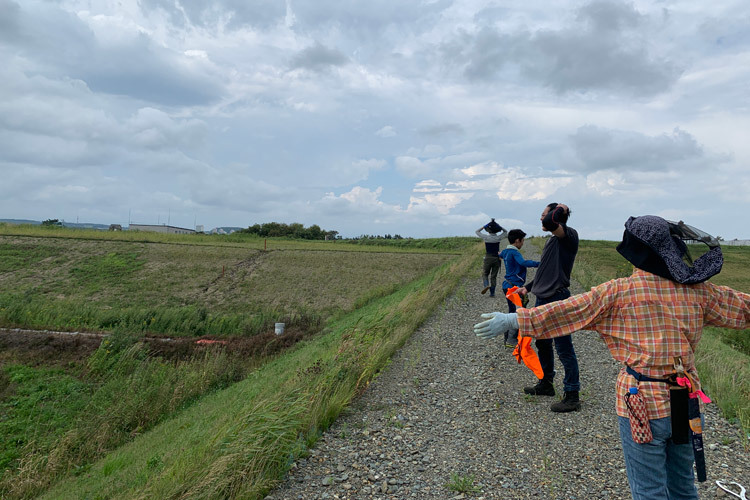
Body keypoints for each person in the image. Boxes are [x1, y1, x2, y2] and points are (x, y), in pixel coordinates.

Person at [474, 215, 749, 500]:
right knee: (683, 486)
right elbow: (744, 308)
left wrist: (514, 319)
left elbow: (567, 312)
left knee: (649, 490)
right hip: (688, 399)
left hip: (642, 401)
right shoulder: (700, 291)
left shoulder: (619, 292)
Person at [515, 203, 581, 412]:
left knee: (564, 349)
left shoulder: (568, 236)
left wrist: (561, 208)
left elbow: (549, 222)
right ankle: (546, 383)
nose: (541, 218)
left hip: (557, 298)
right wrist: (527, 288)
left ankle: (572, 395)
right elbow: (545, 272)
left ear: (556, 216)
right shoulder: (552, 241)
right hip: (542, 298)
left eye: (544, 214)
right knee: (543, 344)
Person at [499, 229, 539, 347]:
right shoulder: (514, 252)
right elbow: (523, 262)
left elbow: (500, 255)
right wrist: (540, 264)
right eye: (522, 241)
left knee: (512, 311)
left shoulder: (506, 251)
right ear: (517, 241)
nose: (522, 244)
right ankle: (512, 340)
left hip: (507, 285)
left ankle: (508, 338)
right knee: (519, 313)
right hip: (514, 287)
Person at [475, 218, 508, 297]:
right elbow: (506, 232)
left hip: (488, 257)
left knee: (485, 273)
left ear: (488, 230)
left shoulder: (486, 237)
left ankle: (486, 285)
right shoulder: (498, 238)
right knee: (493, 276)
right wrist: (499, 226)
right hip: (497, 258)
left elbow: (477, 231)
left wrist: (484, 226)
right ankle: (492, 293)